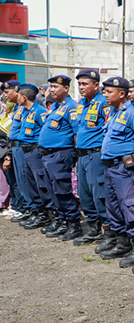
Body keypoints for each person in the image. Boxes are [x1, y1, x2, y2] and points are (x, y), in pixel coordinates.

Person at [98, 77, 134, 268]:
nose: (105, 95)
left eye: (108, 91)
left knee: (130, 206)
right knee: (113, 206)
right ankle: (122, 243)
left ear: (121, 94)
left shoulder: (132, 114)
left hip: (124, 168)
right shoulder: (112, 112)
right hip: (110, 167)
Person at [38, 75, 81, 239]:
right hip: (48, 155)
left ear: (66, 88)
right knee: (52, 190)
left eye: (56, 87)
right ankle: (62, 221)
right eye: (51, 87)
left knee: (62, 190)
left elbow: (76, 133)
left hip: (61, 154)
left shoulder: (71, 107)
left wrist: (75, 155)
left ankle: (74, 224)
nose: (52, 90)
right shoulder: (54, 107)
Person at [73, 69, 110, 245]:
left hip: (96, 154)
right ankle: (93, 227)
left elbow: (109, 129)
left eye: (84, 84)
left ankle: (108, 231)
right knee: (84, 193)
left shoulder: (104, 102)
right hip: (82, 155)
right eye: (79, 84)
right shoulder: (81, 103)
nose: (81, 87)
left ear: (96, 85)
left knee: (99, 193)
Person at [16, 85, 51, 230]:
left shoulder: (40, 111)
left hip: (36, 151)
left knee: (40, 183)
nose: (17, 98)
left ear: (24, 97)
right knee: (30, 183)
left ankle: (48, 215)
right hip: (26, 151)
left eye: (18, 95)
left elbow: (46, 130)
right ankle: (39, 213)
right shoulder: (26, 111)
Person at [3, 81, 35, 223]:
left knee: (25, 180)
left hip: (24, 148)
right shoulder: (18, 109)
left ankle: (29, 208)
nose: (5, 96)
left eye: (7, 92)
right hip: (15, 147)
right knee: (20, 181)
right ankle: (27, 208)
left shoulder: (34, 110)